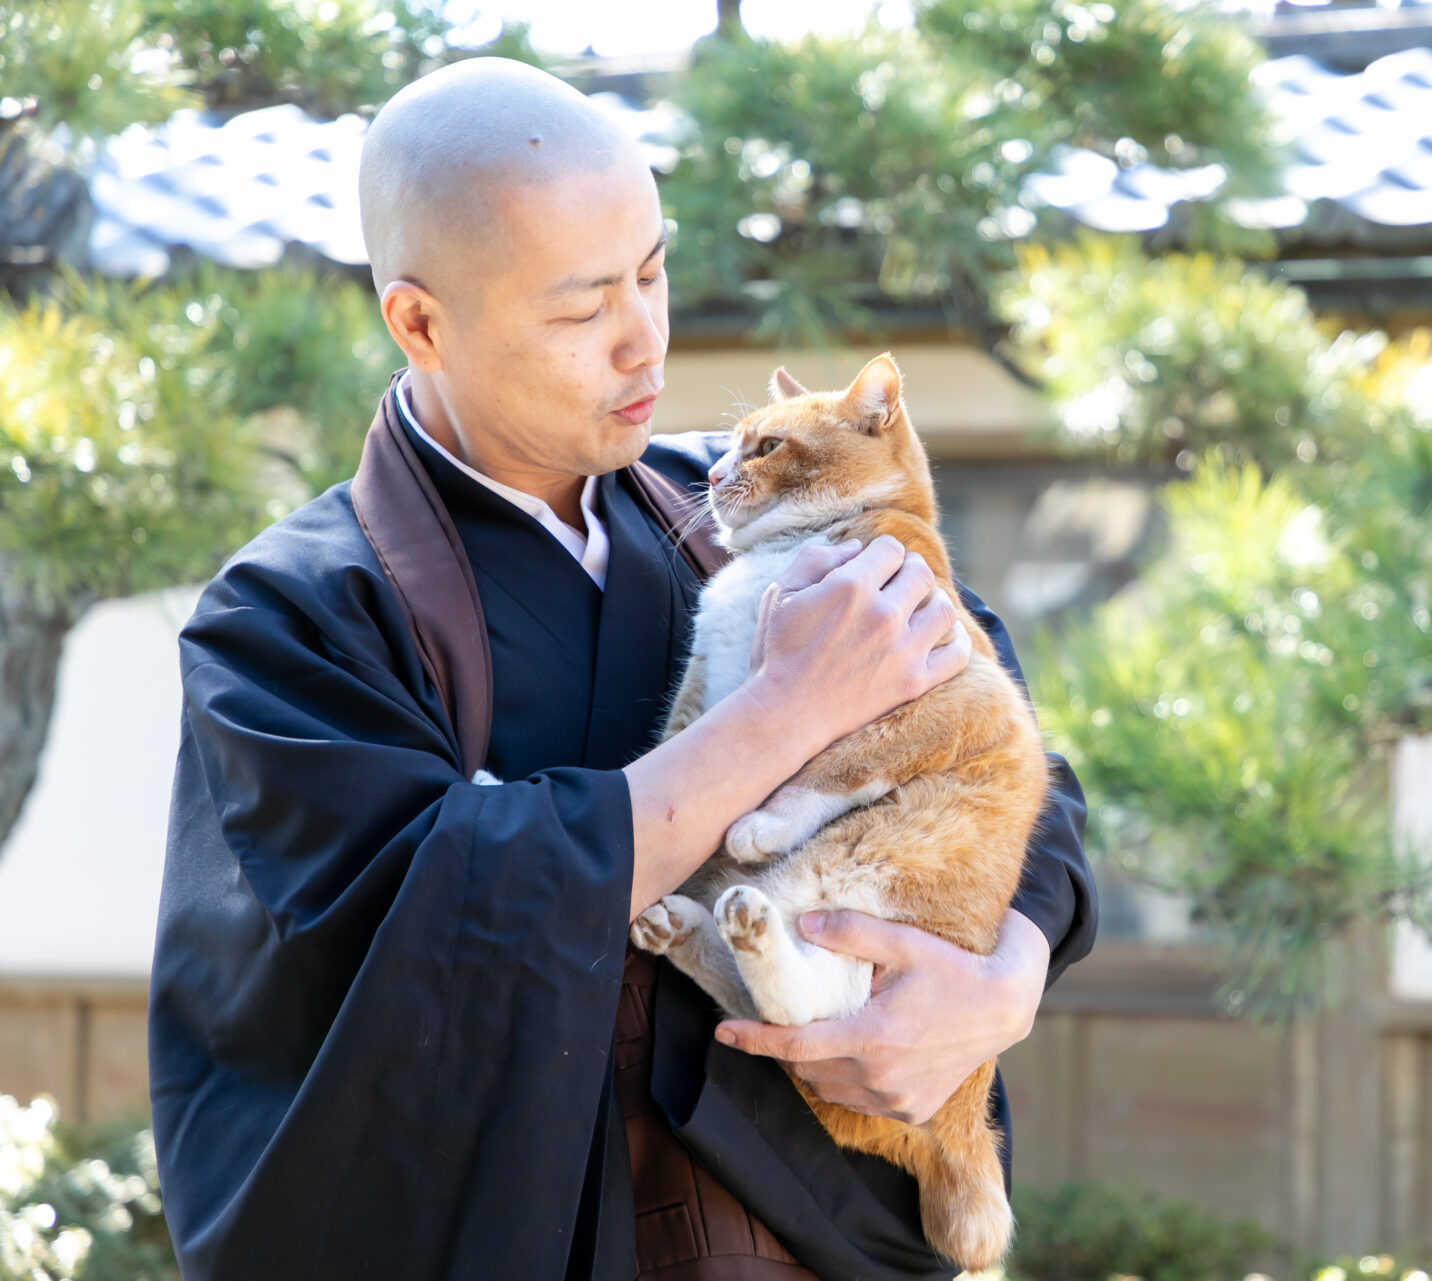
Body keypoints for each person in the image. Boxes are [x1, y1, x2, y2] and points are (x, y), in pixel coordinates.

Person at [147, 56, 1095, 1281]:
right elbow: (426, 929)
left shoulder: (765, 500)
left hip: (831, 1231)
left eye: (653, 269)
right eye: (581, 307)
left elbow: (1015, 765)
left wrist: (1002, 984)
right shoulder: (294, 617)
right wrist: (788, 710)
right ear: (421, 321)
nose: (645, 337)